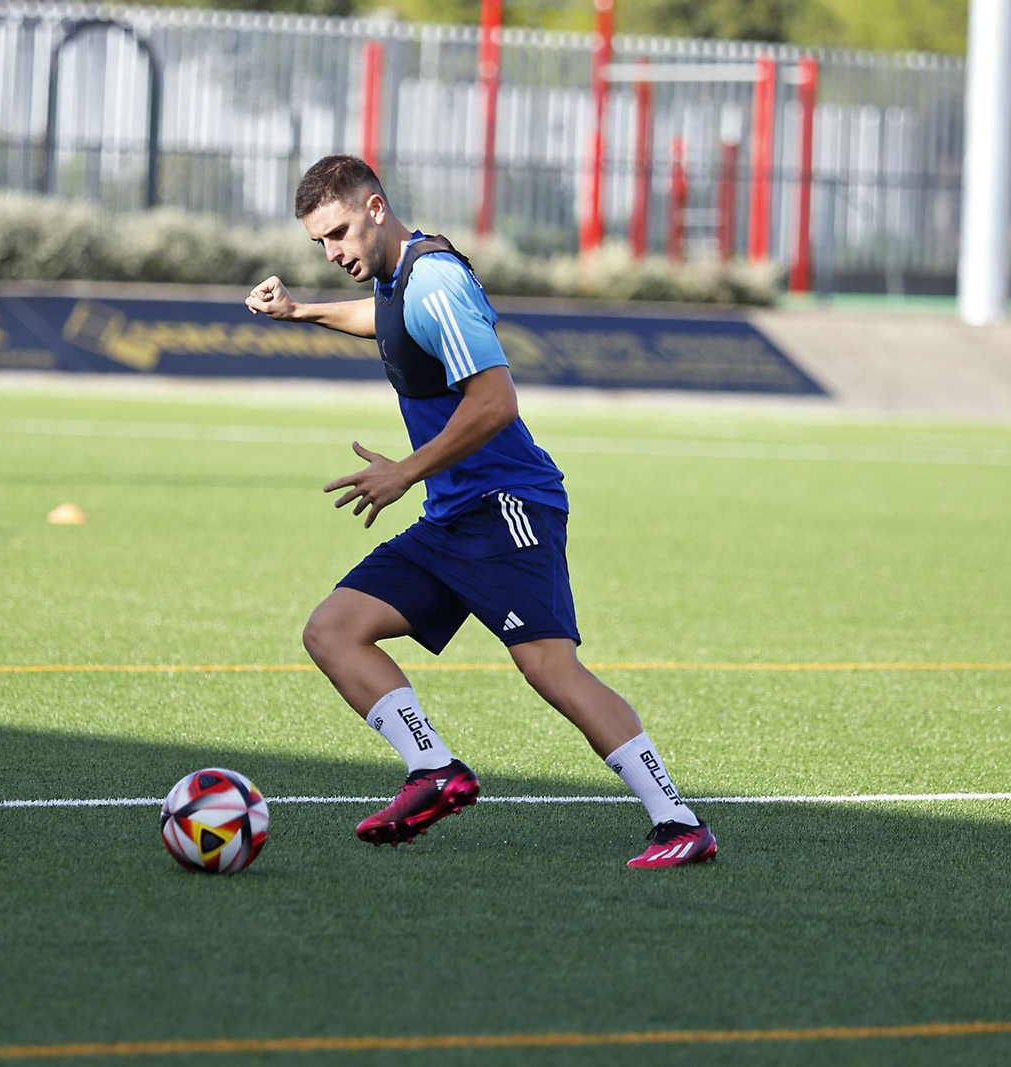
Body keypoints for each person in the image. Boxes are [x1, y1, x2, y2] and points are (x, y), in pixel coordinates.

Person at [246, 155, 716, 869]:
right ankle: (433, 769)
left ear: (375, 207)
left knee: (551, 670)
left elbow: (496, 402)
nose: (333, 251)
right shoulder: (397, 278)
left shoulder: (433, 280)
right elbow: (388, 324)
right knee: (334, 630)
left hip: (508, 506)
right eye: (320, 244)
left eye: (338, 232)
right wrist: (299, 310)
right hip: (454, 513)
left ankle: (677, 819)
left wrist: (405, 470)